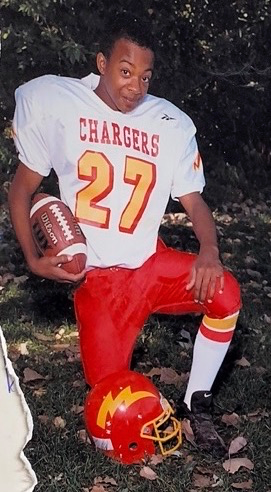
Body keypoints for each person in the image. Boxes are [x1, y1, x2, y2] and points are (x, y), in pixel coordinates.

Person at [9, 12, 241, 458]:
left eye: (146, 76)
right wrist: (32, 258)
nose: (136, 86)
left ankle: (197, 402)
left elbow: (195, 202)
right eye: (126, 71)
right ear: (101, 62)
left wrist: (209, 250)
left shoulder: (168, 122)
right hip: (98, 282)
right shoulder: (60, 102)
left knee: (226, 293)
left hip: (149, 263)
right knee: (111, 399)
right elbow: (21, 190)